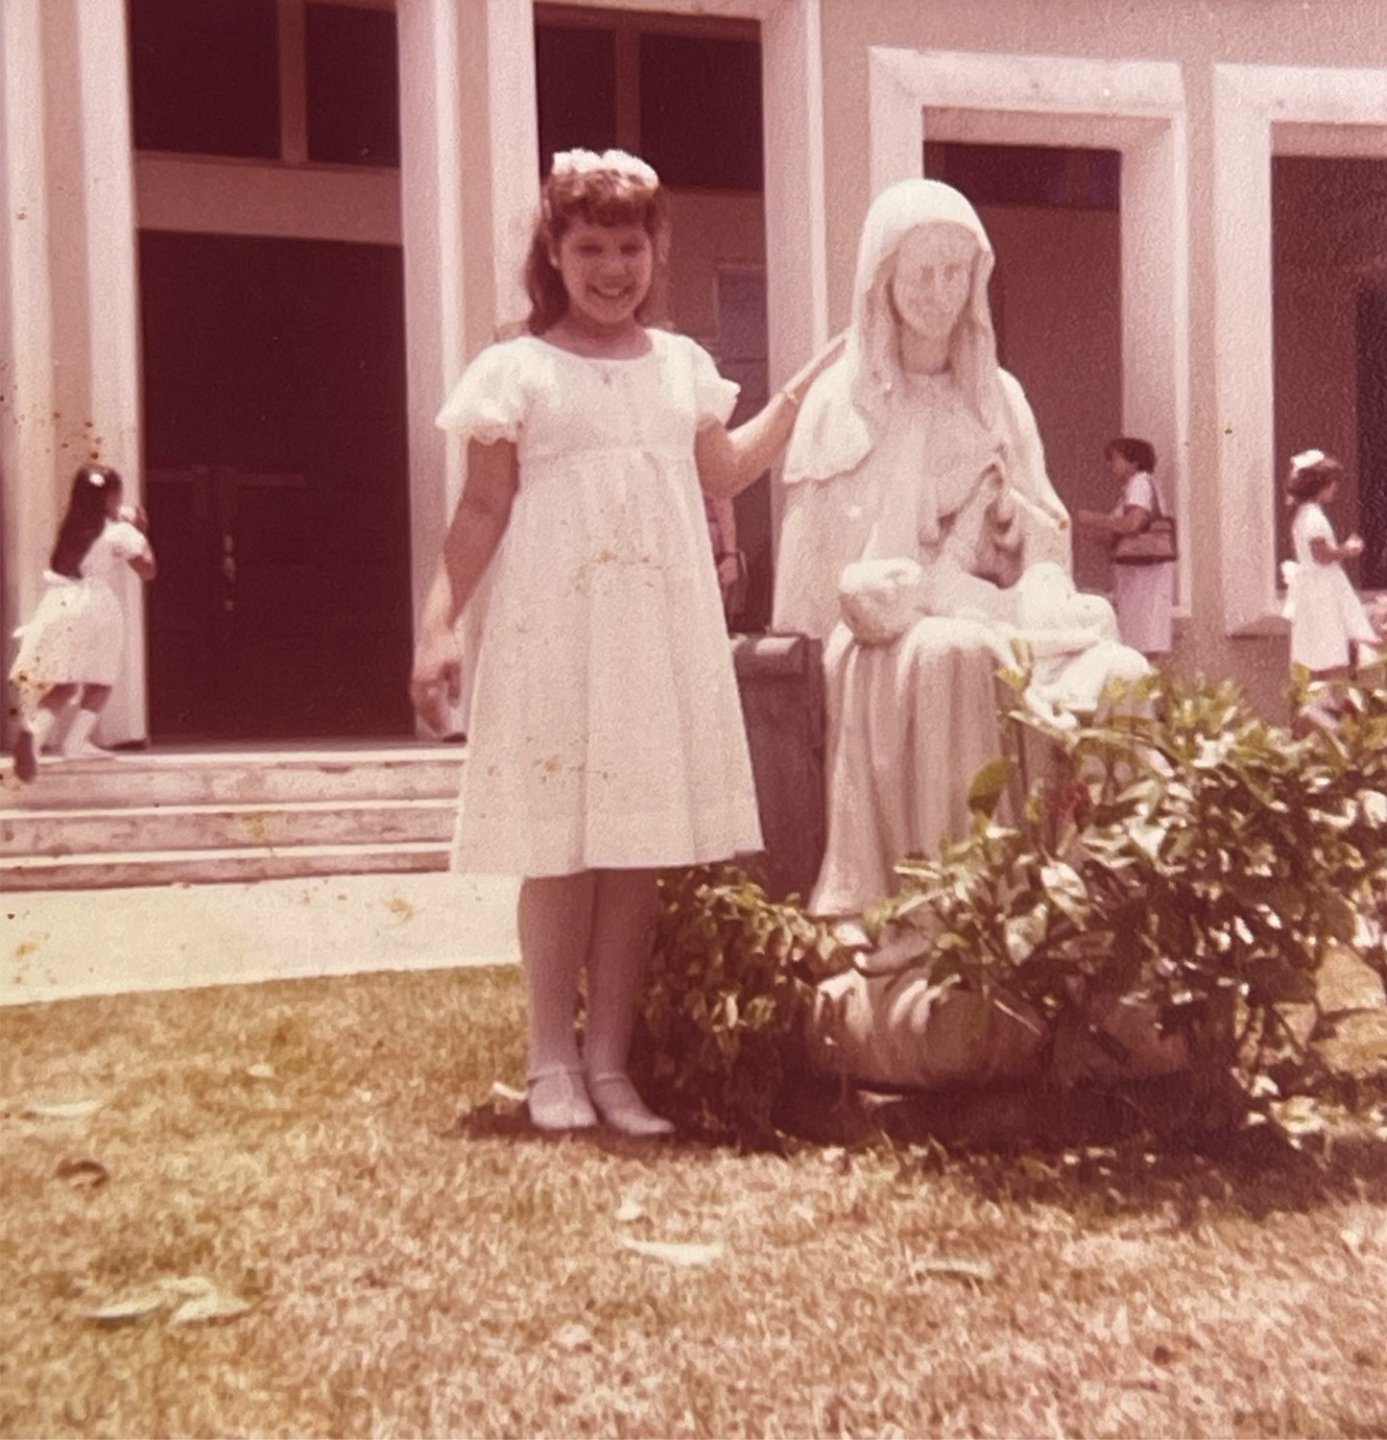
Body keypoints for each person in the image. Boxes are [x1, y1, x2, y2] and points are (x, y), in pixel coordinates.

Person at [410, 148, 841, 1136]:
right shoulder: (515, 370)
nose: (612, 268)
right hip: (555, 625)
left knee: (634, 847)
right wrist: (437, 628)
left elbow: (723, 474)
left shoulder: (681, 368)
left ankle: (609, 1066)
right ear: (554, 253)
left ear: (657, 251)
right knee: (560, 847)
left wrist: (800, 395)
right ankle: (548, 1061)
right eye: (590, 246)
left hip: (653, 624)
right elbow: (481, 510)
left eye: (629, 247)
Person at [772, 178, 1146, 914]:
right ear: (885, 279)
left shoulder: (999, 396)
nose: (940, 292)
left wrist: (1018, 535)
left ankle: (1102, 901)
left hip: (996, 609)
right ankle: (960, 901)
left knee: (1118, 667)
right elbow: (823, 580)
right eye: (922, 273)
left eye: (955, 273)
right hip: (881, 642)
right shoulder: (840, 405)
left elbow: (1046, 533)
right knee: (954, 654)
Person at [8, 465, 157, 783]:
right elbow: (148, 570)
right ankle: (74, 743)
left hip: (59, 601)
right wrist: (141, 533)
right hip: (95, 605)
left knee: (65, 682)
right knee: (101, 679)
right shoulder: (120, 532)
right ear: (111, 497)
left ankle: (33, 733)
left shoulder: (73, 526)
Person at [1281, 448, 1378, 694]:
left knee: (1323, 649)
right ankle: (1323, 701)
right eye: (1331, 482)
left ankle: (1322, 699)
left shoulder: (1307, 514)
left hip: (1318, 587)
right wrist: (1348, 549)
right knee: (1324, 649)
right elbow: (1321, 556)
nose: (1335, 487)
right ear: (1319, 486)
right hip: (1320, 590)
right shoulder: (1313, 517)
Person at [1076, 437, 1174, 659]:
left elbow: (1133, 524)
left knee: (1138, 641)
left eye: (1115, 459)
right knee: (1137, 639)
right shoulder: (1138, 486)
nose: (1110, 465)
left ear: (1134, 462)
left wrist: (1092, 519)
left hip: (1143, 578)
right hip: (1137, 576)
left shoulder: (1139, 483)